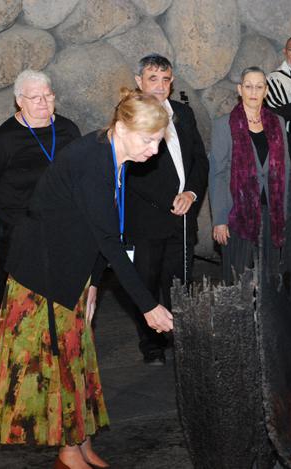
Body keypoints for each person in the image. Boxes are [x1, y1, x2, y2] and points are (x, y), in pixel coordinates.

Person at [0, 88, 174, 469]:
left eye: (158, 141)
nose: (154, 151)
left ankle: (79, 442)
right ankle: (68, 451)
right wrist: (148, 305)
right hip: (45, 274)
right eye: (148, 140)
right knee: (57, 363)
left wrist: (95, 282)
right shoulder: (91, 160)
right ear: (120, 126)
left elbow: (99, 230)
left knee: (77, 359)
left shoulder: (111, 154)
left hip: (74, 267)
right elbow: (108, 239)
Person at [0, 70, 81, 311]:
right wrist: (9, 212)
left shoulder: (69, 130)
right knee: (23, 303)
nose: (43, 101)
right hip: (20, 230)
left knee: (62, 296)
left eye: (48, 95)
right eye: (35, 97)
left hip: (63, 227)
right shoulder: (1, 140)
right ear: (19, 101)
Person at [127, 53, 208, 365]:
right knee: (146, 283)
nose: (160, 86)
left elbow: (200, 159)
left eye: (165, 80)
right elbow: (129, 170)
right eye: (152, 79)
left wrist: (191, 192)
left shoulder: (183, 113)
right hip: (147, 219)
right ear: (139, 82)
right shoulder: (130, 114)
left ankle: (180, 337)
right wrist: (168, 200)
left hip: (183, 218)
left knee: (180, 282)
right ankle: (151, 345)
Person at [209, 67, 291, 284]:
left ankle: (267, 318)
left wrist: (287, 213)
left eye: (259, 86)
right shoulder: (224, 125)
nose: (253, 91)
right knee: (238, 280)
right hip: (238, 215)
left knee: (271, 278)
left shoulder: (278, 123)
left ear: (266, 91)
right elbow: (218, 174)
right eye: (248, 86)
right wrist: (219, 219)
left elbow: (286, 169)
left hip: (272, 213)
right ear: (240, 89)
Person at [266, 34, 291, 152]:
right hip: (288, 143)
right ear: (284, 52)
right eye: (290, 50)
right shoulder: (273, 80)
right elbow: (274, 114)